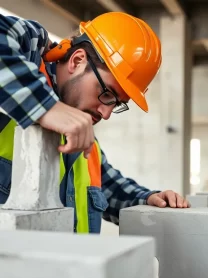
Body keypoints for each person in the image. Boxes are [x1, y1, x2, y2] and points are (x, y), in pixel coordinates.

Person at [0, 11, 190, 233]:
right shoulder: (27, 61)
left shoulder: (81, 135)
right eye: (106, 93)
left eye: (116, 103)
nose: (106, 113)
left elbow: (107, 187)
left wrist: (147, 198)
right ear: (77, 60)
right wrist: (46, 107)